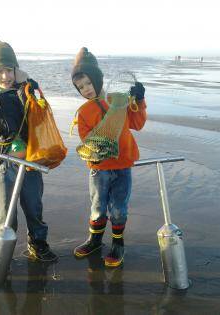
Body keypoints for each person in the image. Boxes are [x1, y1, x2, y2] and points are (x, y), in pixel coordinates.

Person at [0, 39, 57, 262]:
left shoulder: (26, 92)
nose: (4, 76)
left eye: (8, 70)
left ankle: (38, 244)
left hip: (31, 162)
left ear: (15, 70)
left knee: (34, 208)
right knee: (6, 214)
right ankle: (2, 254)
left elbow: (43, 117)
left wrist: (35, 92)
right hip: (5, 163)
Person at [71, 47, 147, 267]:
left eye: (88, 83)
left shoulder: (119, 101)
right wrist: (97, 151)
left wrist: (139, 100)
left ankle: (117, 244)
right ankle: (94, 240)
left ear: (98, 80)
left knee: (118, 208)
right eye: (80, 87)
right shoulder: (84, 112)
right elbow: (87, 140)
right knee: (97, 206)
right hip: (99, 168)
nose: (85, 90)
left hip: (122, 165)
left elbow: (138, 124)